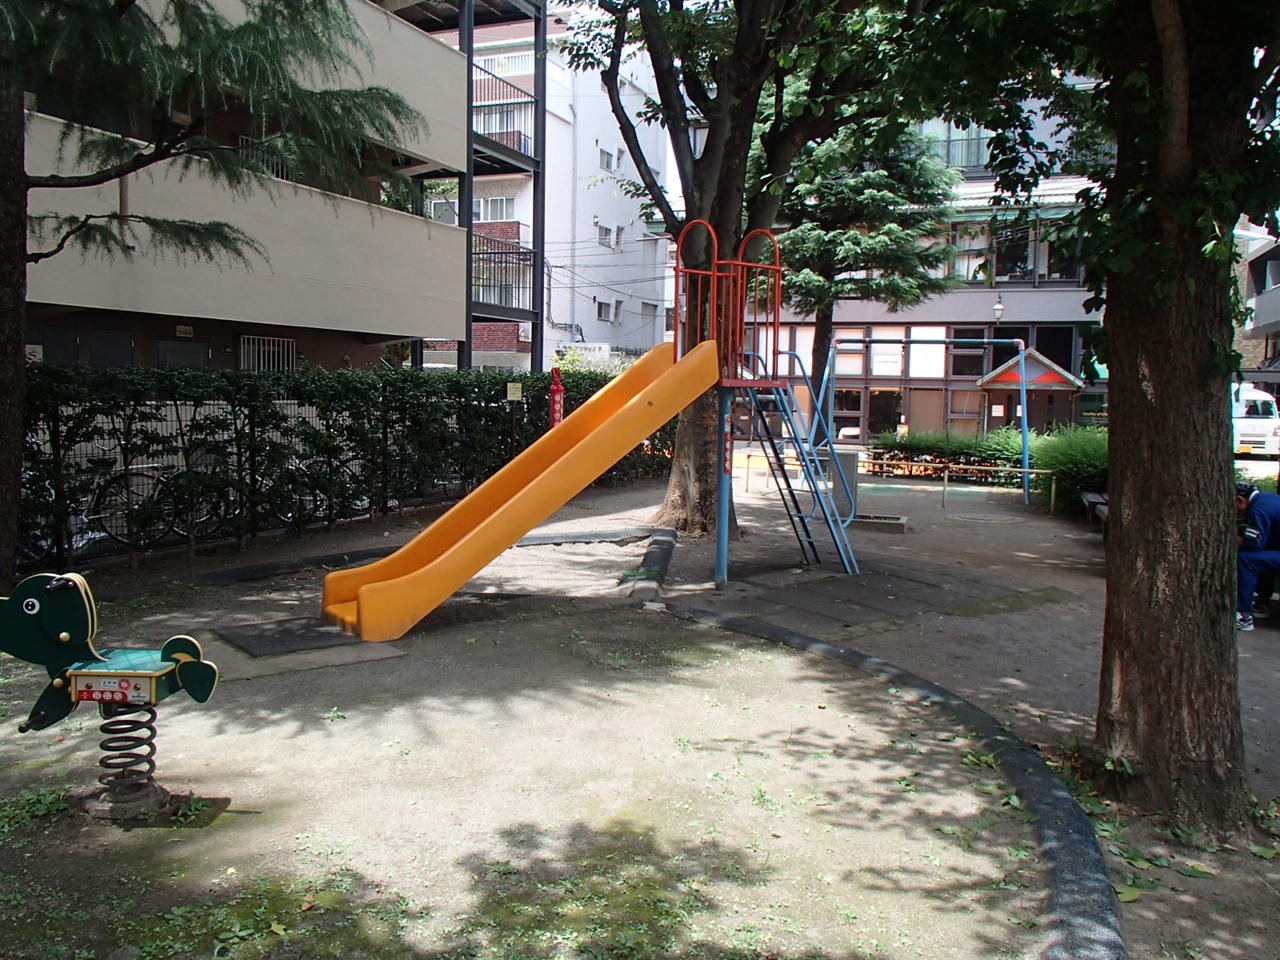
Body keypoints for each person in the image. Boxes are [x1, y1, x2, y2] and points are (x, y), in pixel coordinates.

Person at [1236, 481, 1280, 630]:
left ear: (1241, 500)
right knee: (1262, 557)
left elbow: (1253, 544)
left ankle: (1243, 616)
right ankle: (1261, 603)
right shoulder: (1269, 499)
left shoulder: (1257, 510)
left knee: (1246, 560)